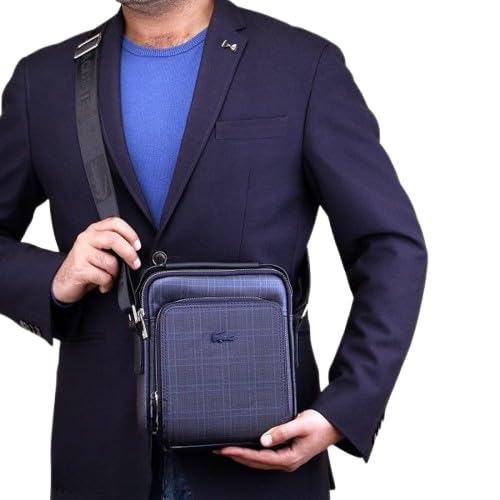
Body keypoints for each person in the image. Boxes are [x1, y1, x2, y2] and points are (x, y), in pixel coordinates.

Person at [0, 0, 428, 498]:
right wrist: (52, 279)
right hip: (101, 459)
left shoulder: (303, 66)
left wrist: (343, 408)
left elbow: (390, 246)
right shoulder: (42, 81)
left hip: (261, 450)